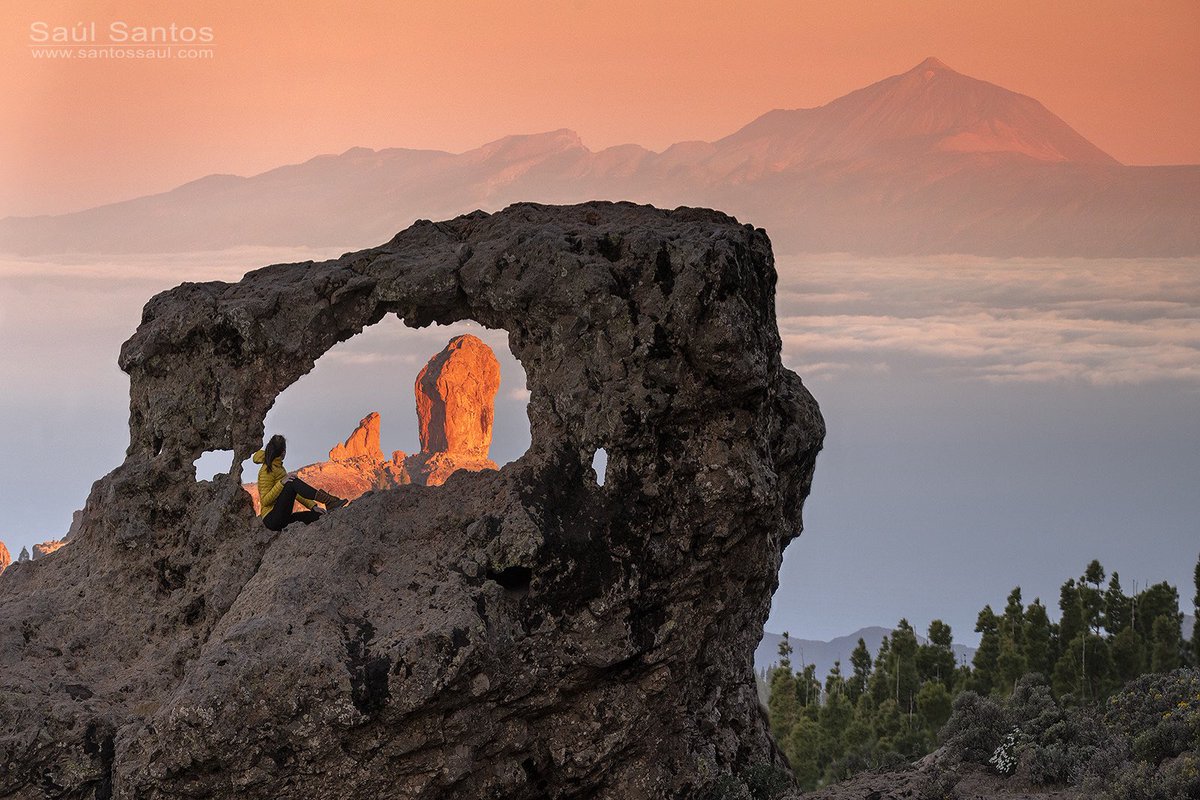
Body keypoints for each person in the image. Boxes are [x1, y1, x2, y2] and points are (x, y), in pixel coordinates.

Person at [253, 434, 347, 531]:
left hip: (283, 517)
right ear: (283, 452)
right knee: (291, 482)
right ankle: (329, 501)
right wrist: (281, 483)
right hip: (272, 519)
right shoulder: (266, 470)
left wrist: (313, 506)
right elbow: (265, 501)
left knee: (319, 516)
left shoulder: (279, 468)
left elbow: (295, 493)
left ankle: (328, 502)